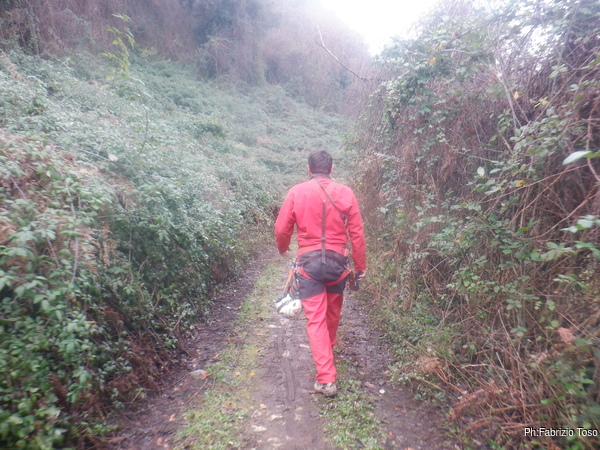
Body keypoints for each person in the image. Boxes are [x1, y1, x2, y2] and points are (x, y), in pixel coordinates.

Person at [274, 149, 367, 397]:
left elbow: (282, 228)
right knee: (332, 314)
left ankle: (326, 379)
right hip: (338, 264)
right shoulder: (346, 193)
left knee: (316, 320)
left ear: (309, 169)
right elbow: (357, 233)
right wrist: (360, 266)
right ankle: (327, 354)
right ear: (331, 169)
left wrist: (283, 248)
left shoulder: (297, 192)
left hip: (309, 264)